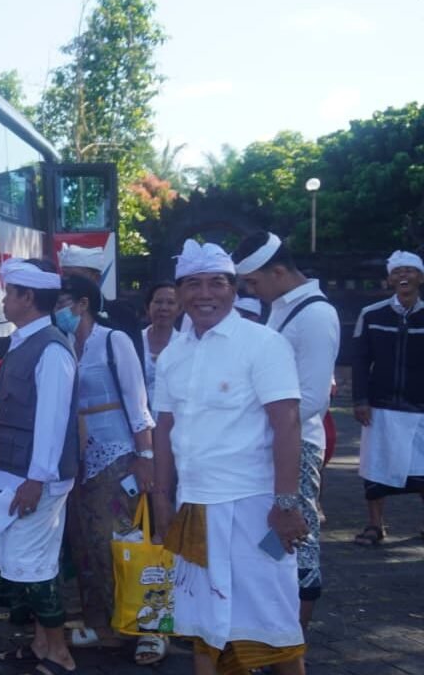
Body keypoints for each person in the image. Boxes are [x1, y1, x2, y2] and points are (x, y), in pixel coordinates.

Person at [151, 239, 308, 675]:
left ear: (234, 288)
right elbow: (164, 430)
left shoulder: (262, 344)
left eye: (217, 283)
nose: (206, 294)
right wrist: (161, 500)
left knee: (275, 627)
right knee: (205, 628)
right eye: (194, 284)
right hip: (196, 510)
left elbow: (287, 425)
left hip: (258, 509)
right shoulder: (172, 356)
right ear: (180, 292)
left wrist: (287, 504)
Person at [0, 258, 79, 675]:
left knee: (35, 566)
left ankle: (60, 653)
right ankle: (40, 645)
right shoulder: (26, 340)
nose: (3, 299)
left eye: (10, 293)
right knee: (22, 562)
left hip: (35, 479)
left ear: (28, 297)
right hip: (18, 475)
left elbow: (52, 420)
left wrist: (35, 479)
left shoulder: (50, 349)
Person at [231, 231, 340, 630]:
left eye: (253, 283)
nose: (250, 292)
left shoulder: (315, 314)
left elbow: (311, 400)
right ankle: (269, 635)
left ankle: (289, 647)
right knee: (270, 546)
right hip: (271, 441)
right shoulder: (280, 305)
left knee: (297, 543)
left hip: (299, 445)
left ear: (278, 271)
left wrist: (247, 411)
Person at [54, 275, 165, 666]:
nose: (58, 310)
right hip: (78, 459)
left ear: (83, 304)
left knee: (122, 543)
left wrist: (145, 458)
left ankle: (147, 628)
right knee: (85, 545)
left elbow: (138, 403)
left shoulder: (113, 341)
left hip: (116, 454)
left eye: (63, 302)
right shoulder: (65, 344)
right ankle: (104, 625)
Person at [350, 249, 424, 546]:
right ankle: (374, 525)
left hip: (420, 406)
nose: (403, 275)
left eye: (410, 270)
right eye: (397, 271)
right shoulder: (371, 315)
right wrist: (360, 400)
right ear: (390, 279)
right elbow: (359, 360)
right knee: (375, 468)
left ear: (420, 277)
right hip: (379, 406)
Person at [59, 243, 144, 354]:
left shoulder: (123, 314)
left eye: (75, 277)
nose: (68, 282)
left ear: (96, 278)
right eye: (65, 276)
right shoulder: (58, 316)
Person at [141, 281, 180, 411]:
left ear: (179, 309)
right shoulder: (134, 342)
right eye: (158, 302)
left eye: (170, 303)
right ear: (148, 307)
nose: (164, 308)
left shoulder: (185, 344)